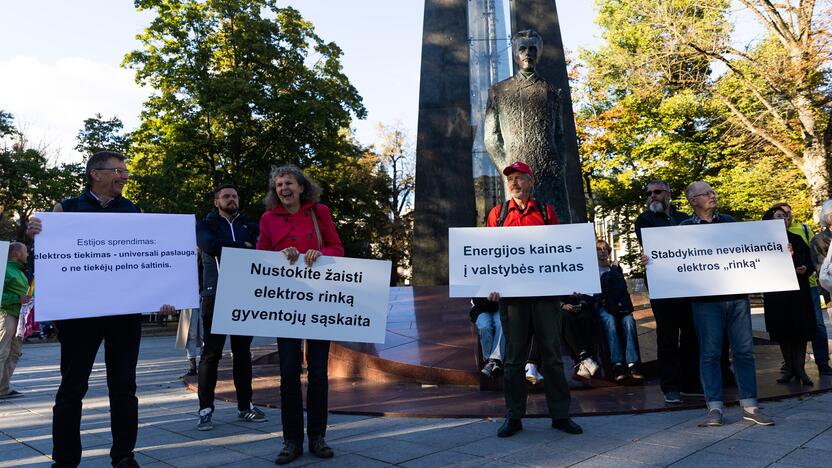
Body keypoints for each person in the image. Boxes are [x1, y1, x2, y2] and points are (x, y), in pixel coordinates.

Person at [26, 150, 174, 467]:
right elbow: (51, 258)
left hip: (124, 316)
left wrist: (166, 292)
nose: (124, 176)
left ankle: (123, 456)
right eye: (118, 170)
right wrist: (37, 232)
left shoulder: (133, 211)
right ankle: (65, 460)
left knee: (124, 387)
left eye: (125, 171)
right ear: (96, 173)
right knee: (72, 388)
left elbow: (148, 260)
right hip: (80, 318)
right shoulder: (65, 209)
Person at [486, 161, 582, 438]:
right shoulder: (498, 213)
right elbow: (489, 253)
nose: (514, 183)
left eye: (519, 178)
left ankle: (560, 415)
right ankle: (514, 417)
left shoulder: (545, 211)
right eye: (510, 179)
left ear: (531, 181)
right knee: (514, 359)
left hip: (545, 295)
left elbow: (560, 249)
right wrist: (491, 284)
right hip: (513, 298)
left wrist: (570, 281)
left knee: (551, 356)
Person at [257, 165, 344, 465]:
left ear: (301, 187)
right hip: (286, 306)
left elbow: (338, 248)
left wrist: (323, 254)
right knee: (288, 375)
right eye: (279, 184)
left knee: (319, 373)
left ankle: (318, 437)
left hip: (319, 302)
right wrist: (278, 257)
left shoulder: (319, 212)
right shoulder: (268, 219)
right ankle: (291, 441)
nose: (283, 188)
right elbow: (260, 257)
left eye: (289, 183)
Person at [677, 181, 773, 427]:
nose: (712, 195)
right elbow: (671, 258)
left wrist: (780, 251)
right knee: (709, 353)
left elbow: (755, 249)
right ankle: (714, 409)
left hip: (736, 297)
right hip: (705, 301)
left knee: (744, 350)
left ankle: (750, 406)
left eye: (713, 191)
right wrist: (652, 260)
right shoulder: (683, 229)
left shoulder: (730, 222)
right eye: (706, 193)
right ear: (693, 201)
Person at [195, 184, 265, 431]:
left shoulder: (251, 226)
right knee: (211, 354)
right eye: (226, 196)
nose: (232, 199)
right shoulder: (205, 224)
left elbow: (261, 249)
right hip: (215, 296)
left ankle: (245, 406)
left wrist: (235, 247)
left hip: (244, 294)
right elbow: (210, 246)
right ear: (216, 201)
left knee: (242, 353)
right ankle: (205, 409)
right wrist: (243, 248)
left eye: (235, 195)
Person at [635, 180, 700, 403]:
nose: (652, 196)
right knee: (667, 337)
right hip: (662, 286)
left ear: (668, 194)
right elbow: (659, 242)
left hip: (689, 284)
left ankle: (690, 382)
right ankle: (670, 386)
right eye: (649, 193)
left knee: (691, 335)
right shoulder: (645, 219)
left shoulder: (685, 218)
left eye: (657, 192)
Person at [762, 206, 816, 385]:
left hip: (798, 293)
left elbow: (810, 262)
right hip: (776, 294)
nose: (784, 219)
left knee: (800, 330)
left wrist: (804, 268)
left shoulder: (797, 239)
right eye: (778, 216)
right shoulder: (763, 242)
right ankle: (790, 368)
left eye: (785, 217)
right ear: (769, 220)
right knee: (782, 330)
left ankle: (800, 368)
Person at [776, 202, 832, 376]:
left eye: (788, 213)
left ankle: (823, 363)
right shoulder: (768, 236)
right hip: (785, 290)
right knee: (791, 326)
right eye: (782, 214)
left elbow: (810, 257)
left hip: (809, 285)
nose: (787, 216)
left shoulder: (803, 229)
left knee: (818, 325)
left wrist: (806, 269)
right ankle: (791, 365)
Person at [594, 239, 643, 382]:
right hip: (603, 306)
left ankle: (632, 363)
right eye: (599, 249)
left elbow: (622, 290)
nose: (602, 252)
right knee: (610, 321)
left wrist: (617, 271)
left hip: (618, 306)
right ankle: (617, 364)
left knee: (629, 320)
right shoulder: (591, 270)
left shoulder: (614, 269)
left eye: (605, 249)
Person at [0, 242, 30, 399]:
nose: (28, 254)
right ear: (16, 253)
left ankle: (3, 388)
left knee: (15, 353)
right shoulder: (4, 269)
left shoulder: (19, 272)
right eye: (25, 251)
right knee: (2, 352)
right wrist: (18, 298)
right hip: (7, 315)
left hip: (19, 316)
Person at [560, 293, 600, 381]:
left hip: (582, 305)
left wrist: (583, 302)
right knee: (565, 318)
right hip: (562, 307)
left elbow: (591, 291)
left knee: (586, 318)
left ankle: (583, 361)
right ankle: (586, 358)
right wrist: (562, 304)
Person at [470, 298, 505, 377]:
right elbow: (477, 301)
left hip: (500, 307)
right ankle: (489, 361)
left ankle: (495, 360)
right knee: (484, 326)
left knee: (502, 324)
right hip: (480, 309)